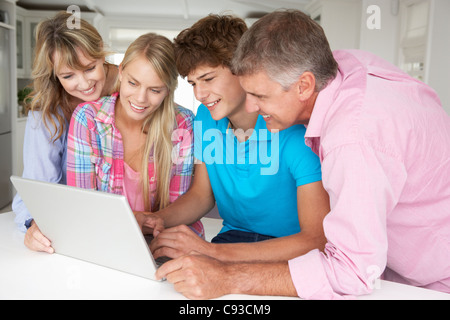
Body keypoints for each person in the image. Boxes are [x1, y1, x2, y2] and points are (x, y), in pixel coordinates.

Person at [155, 9, 450, 300]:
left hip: (435, 278)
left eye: (261, 96)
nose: (251, 107)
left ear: (304, 85)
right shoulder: (340, 67)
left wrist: (226, 276)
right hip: (392, 267)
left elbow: (350, 271)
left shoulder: (352, 140)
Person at [141, 15, 330, 265]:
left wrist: (213, 253)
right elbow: (202, 195)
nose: (199, 94)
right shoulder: (205, 120)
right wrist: (156, 220)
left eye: (208, 79)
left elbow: (316, 239)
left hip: (288, 250)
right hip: (233, 239)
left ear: (242, 69)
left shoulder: (290, 125)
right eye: (193, 83)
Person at [66, 33, 204, 240]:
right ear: (121, 71)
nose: (140, 99)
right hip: (107, 238)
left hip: (164, 237)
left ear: (168, 90)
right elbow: (83, 204)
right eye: (133, 83)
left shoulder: (183, 124)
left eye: (155, 90)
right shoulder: (88, 119)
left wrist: (146, 224)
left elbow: (178, 207)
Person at [12, 12, 118, 254]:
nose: (83, 83)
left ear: (101, 52)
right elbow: (37, 186)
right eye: (68, 76)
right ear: (53, 75)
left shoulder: (131, 89)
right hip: (67, 222)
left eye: (90, 68)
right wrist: (34, 225)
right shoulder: (46, 113)